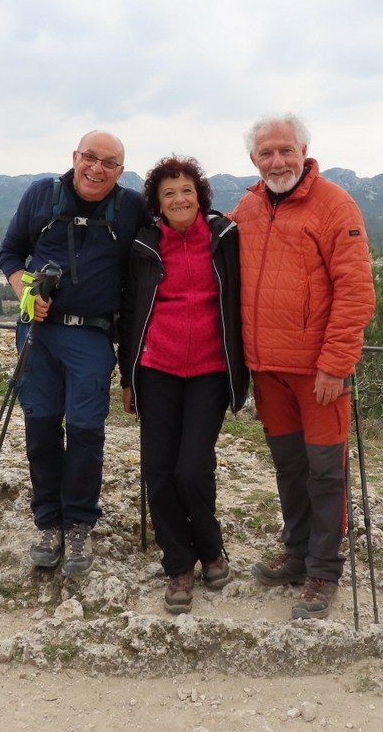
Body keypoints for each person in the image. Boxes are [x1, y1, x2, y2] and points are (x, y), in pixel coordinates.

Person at [230, 114, 375, 620]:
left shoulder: (335, 205)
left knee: (324, 472)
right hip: (267, 370)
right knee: (290, 467)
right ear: (254, 159)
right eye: (267, 153)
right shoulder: (246, 208)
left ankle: (323, 570)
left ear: (305, 150)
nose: (277, 161)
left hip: (319, 372)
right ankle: (296, 553)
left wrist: (337, 363)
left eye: (286, 151)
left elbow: (356, 291)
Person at [0, 131, 151, 578]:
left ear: (121, 171)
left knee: (86, 434)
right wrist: (25, 288)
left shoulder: (131, 208)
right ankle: (49, 523)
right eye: (90, 158)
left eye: (109, 163)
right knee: (41, 430)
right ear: (75, 157)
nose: (96, 169)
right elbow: (10, 253)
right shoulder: (42, 195)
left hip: (93, 337)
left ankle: (80, 522)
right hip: (39, 335)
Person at [118, 155, 249, 614]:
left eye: (187, 191)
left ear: (201, 197)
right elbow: (132, 312)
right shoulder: (145, 244)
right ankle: (179, 564)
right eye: (169, 192)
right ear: (157, 201)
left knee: (192, 469)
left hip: (211, 370)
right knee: (159, 471)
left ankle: (210, 549)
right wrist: (127, 373)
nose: (179, 199)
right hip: (157, 370)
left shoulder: (225, 238)